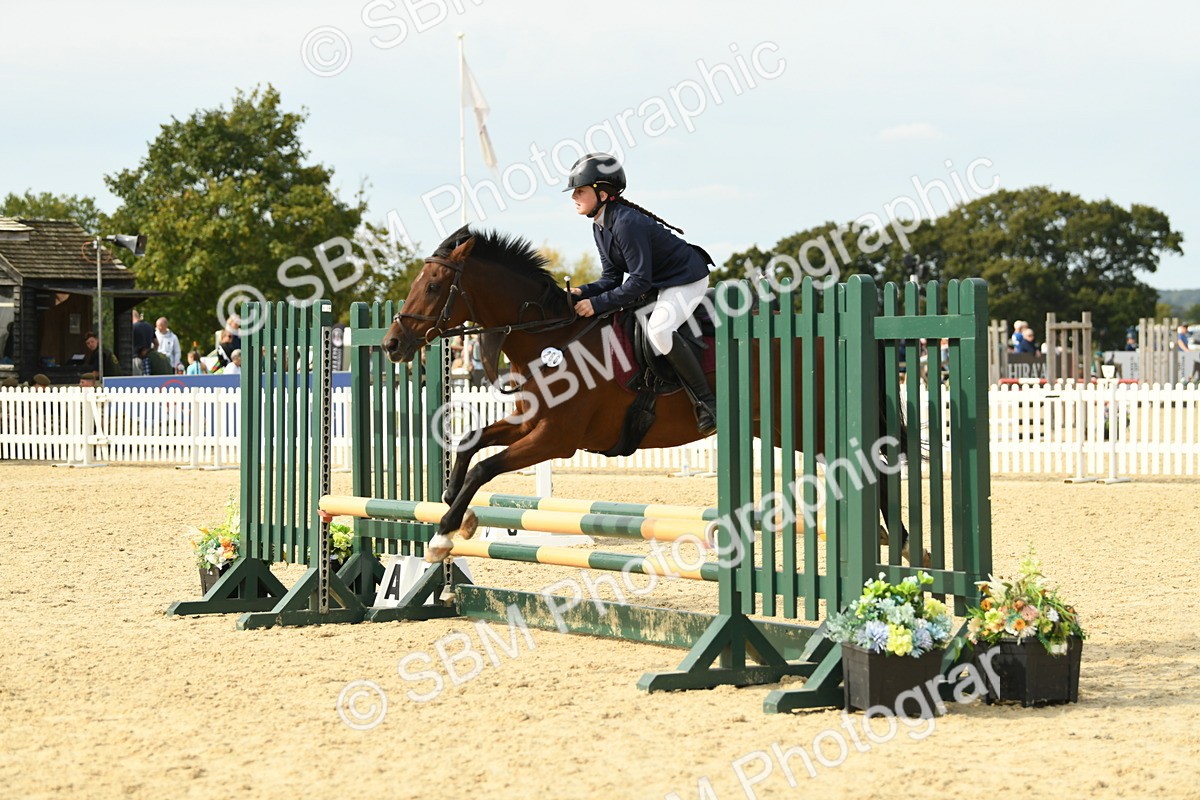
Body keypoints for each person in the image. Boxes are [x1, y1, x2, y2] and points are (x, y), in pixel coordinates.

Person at [565, 153, 716, 435]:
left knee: (659, 329)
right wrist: (580, 292)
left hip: (686, 279)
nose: (574, 196)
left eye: (580, 190)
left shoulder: (626, 223)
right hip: (661, 282)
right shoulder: (599, 225)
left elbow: (639, 282)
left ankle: (707, 404)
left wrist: (595, 304)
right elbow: (612, 278)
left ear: (603, 192)